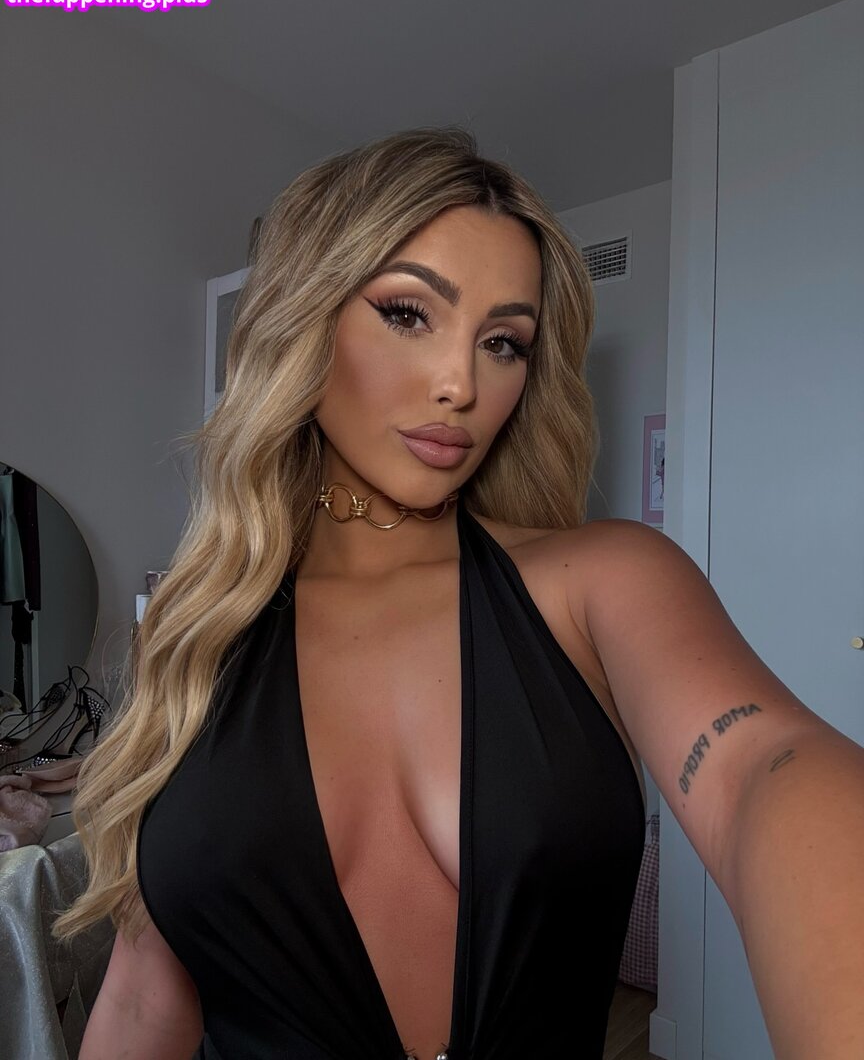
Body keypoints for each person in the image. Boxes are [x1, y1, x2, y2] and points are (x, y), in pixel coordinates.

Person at [53, 127, 864, 1060]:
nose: (461, 383)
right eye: (408, 314)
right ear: (304, 320)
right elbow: (144, 999)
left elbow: (762, 766)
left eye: (504, 342)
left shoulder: (599, 583)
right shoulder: (198, 635)